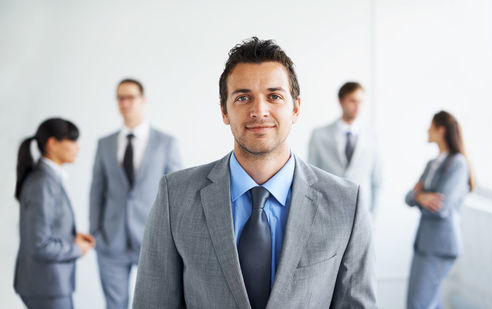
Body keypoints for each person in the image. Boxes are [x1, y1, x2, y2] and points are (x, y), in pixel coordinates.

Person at [133, 37, 376, 308]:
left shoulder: (346, 203)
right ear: (224, 111)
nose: (259, 111)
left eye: (274, 96)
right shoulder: (174, 196)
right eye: (243, 97)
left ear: (295, 108)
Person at [89, 78, 182, 309]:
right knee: (115, 304)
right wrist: (96, 232)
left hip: (153, 238)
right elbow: (97, 190)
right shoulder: (105, 144)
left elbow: (178, 192)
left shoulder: (165, 142)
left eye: (130, 97)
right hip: (111, 240)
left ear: (143, 100)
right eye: (120, 98)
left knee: (157, 303)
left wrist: (174, 236)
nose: (125, 103)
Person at [14, 118, 95, 309]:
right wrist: (77, 249)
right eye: (72, 141)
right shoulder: (43, 183)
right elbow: (39, 244)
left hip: (48, 285)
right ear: (52, 143)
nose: (78, 148)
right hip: (46, 286)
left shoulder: (48, 179)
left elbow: (43, 229)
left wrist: (71, 236)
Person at [405, 111, 474, 309]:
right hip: (424, 243)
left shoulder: (458, 164)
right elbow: (408, 196)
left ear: (441, 130)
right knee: (430, 303)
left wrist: (418, 197)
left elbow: (441, 208)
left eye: (431, 126)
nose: (427, 130)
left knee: (418, 304)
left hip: (440, 244)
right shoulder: (431, 164)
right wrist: (420, 197)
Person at [308, 82, 382, 216]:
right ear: (341, 101)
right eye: (352, 101)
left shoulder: (372, 137)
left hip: (361, 213)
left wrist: (372, 217)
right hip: (327, 211)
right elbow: (311, 178)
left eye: (360, 101)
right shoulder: (319, 135)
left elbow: (377, 180)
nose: (357, 106)